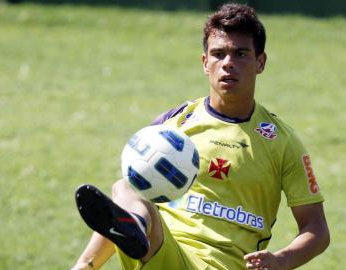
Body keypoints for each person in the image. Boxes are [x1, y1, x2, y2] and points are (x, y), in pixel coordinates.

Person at [71, 3, 330, 270]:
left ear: (260, 62)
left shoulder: (281, 140)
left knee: (127, 193)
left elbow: (316, 228)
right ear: (205, 63)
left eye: (240, 53)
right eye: (218, 54)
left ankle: (138, 230)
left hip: (227, 265)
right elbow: (119, 211)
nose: (228, 63)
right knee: (126, 187)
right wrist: (85, 265)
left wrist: (282, 259)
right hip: (164, 253)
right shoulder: (174, 123)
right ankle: (137, 230)